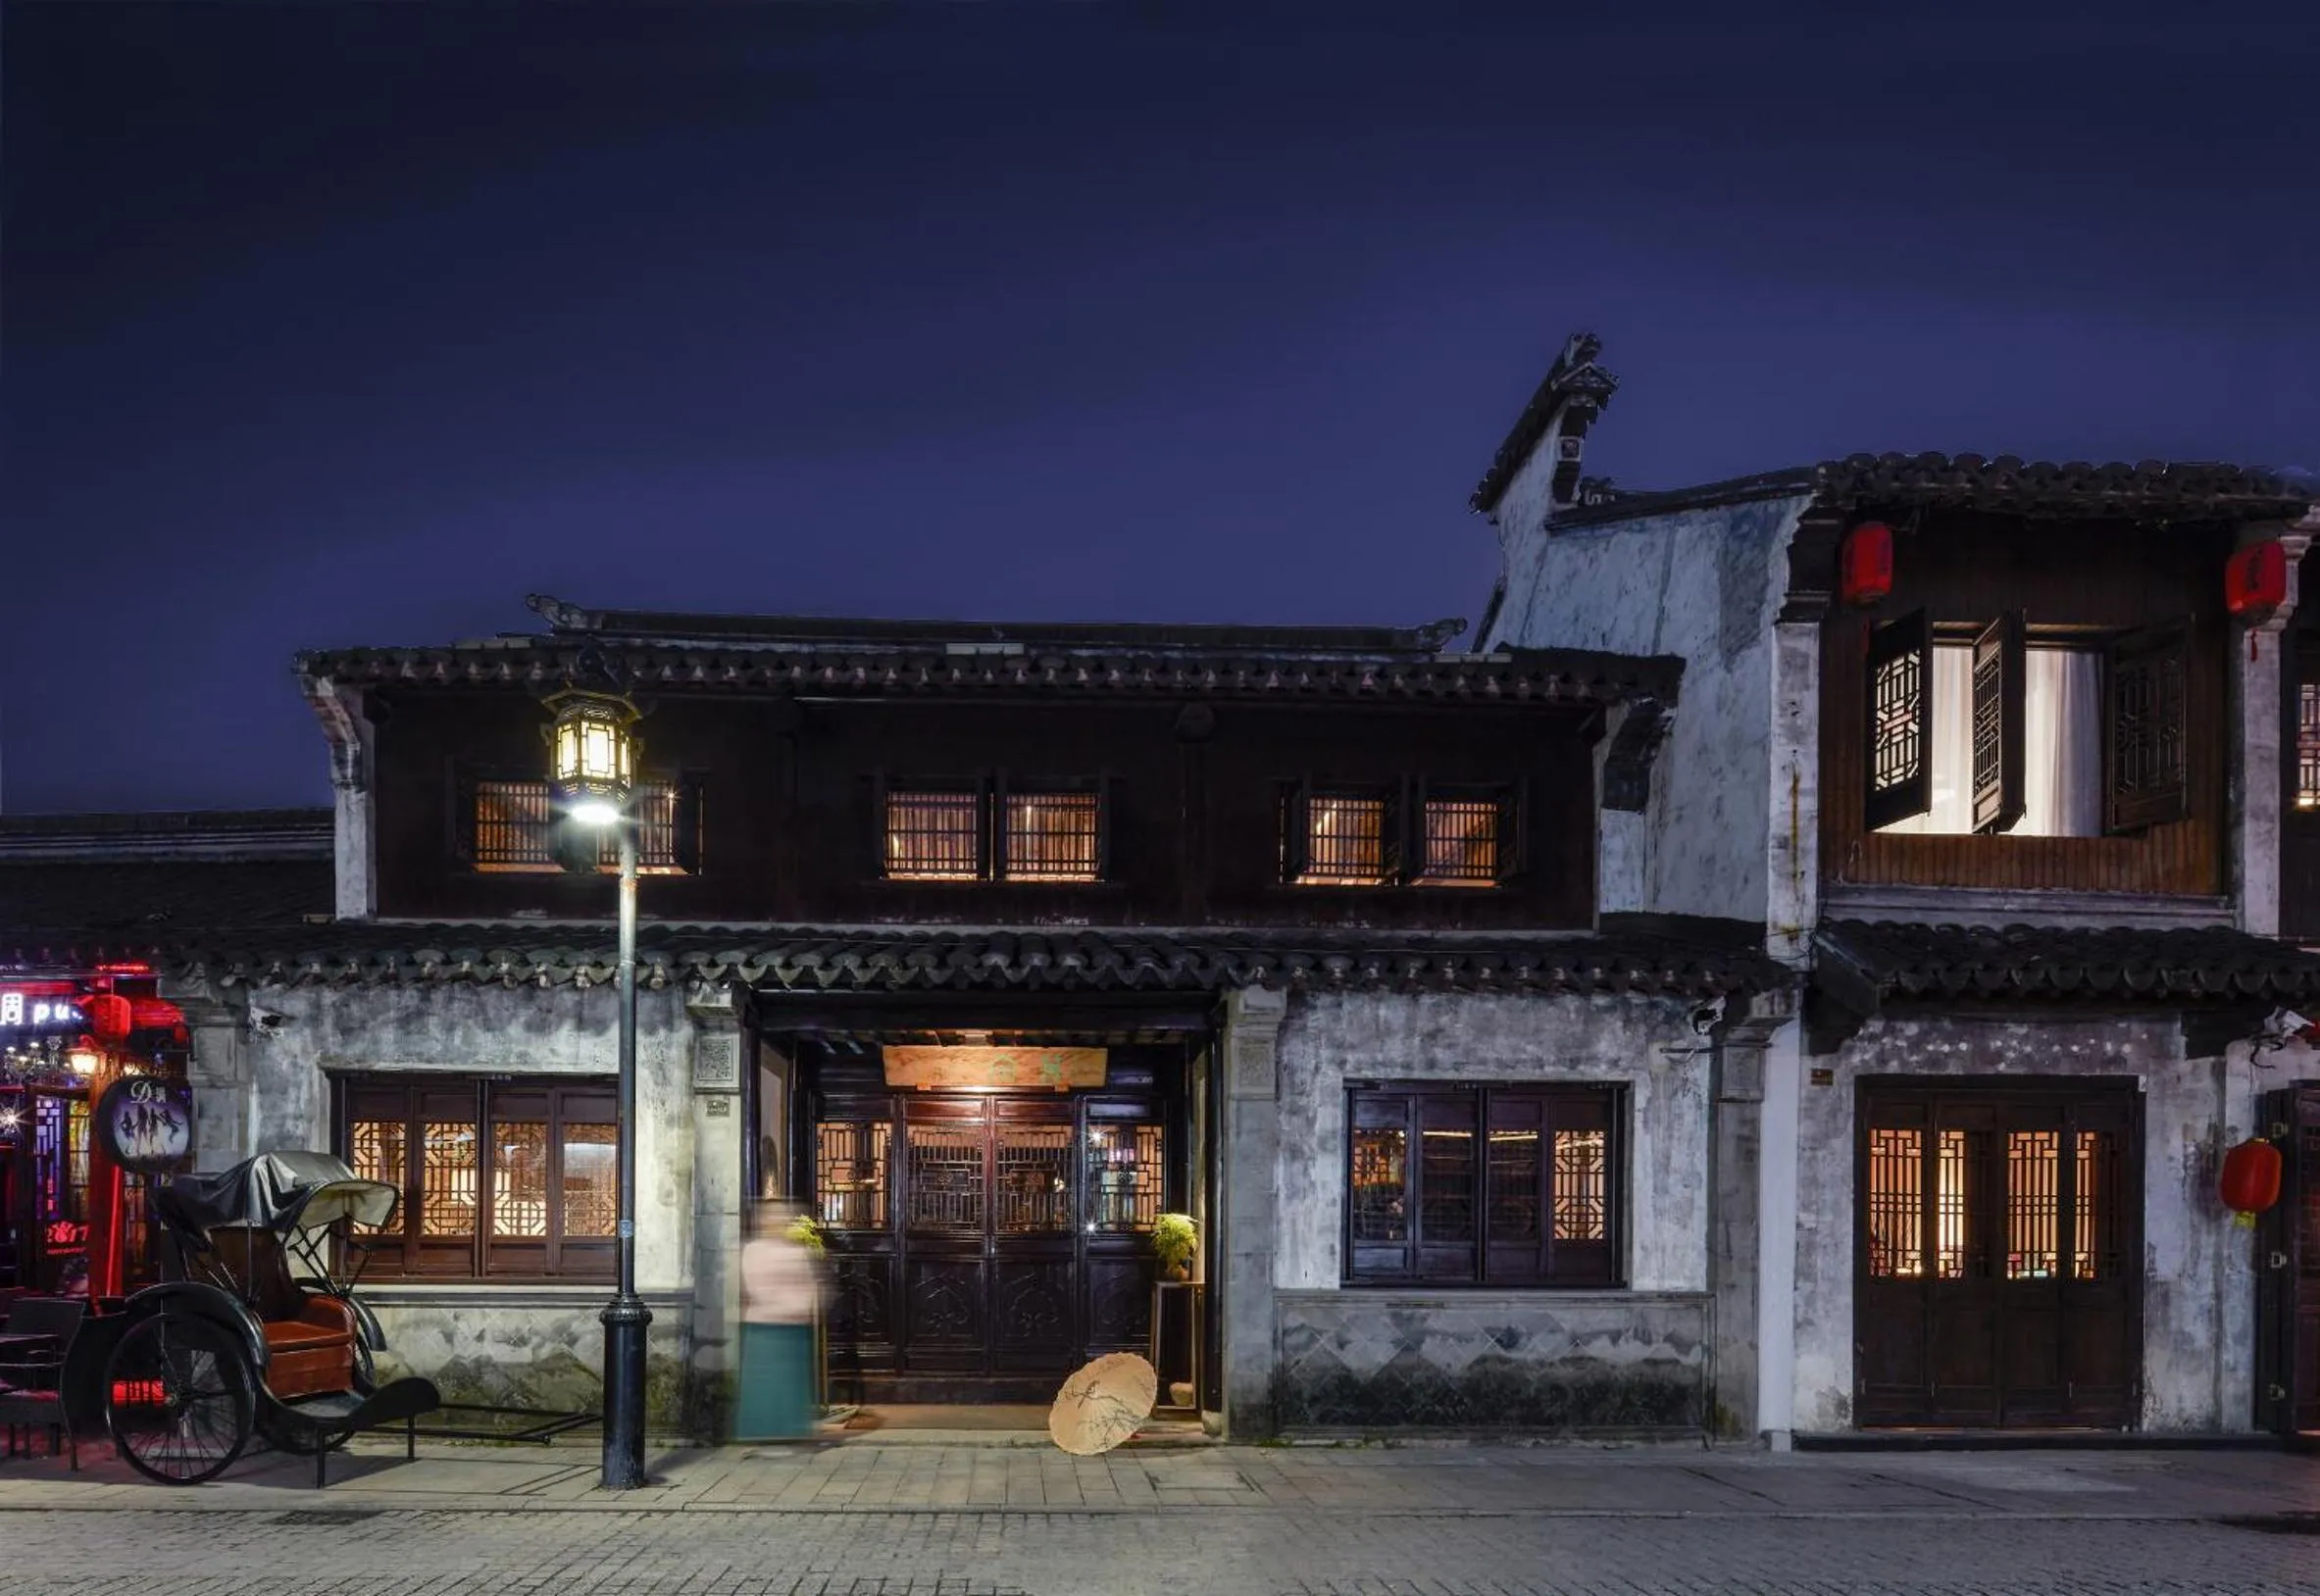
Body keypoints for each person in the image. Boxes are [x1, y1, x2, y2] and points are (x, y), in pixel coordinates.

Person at [732, 1200, 820, 1441]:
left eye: (783, 1218)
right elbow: (753, 1285)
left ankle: (788, 1430)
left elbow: (809, 1285)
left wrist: (804, 1307)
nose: (777, 1222)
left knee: (788, 1382)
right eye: (772, 1218)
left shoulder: (798, 1251)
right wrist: (787, 1303)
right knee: (765, 1380)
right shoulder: (753, 1251)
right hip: (765, 1324)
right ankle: (762, 1430)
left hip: (792, 1324)